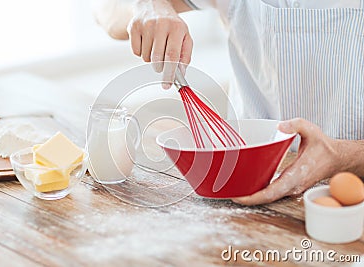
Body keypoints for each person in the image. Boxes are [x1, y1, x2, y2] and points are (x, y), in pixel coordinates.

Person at [93, 0, 364, 205]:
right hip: (241, 184)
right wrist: (148, 4)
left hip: (349, 202)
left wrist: (343, 156)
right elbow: (106, 10)